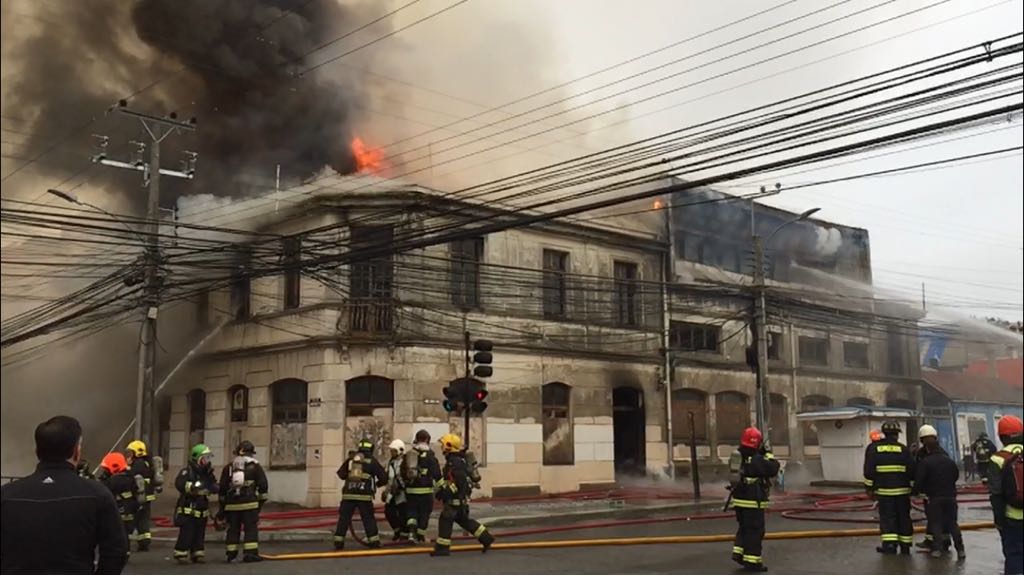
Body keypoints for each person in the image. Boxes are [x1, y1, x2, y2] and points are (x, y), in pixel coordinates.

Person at [1, 415, 128, 574]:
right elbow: (116, 552)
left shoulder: (7, 494)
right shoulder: (98, 494)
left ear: (37, 451)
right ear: (76, 451)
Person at [431, 433, 495, 557]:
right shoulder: (458, 460)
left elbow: (458, 482)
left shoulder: (454, 462)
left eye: (443, 445)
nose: (441, 447)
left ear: (449, 446)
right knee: (465, 521)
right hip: (460, 501)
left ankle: (442, 548)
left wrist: (445, 493)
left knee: (445, 520)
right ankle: (486, 538)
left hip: (455, 501)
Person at [728, 427, 780, 573]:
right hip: (752, 501)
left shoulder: (738, 456)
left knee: (744, 528)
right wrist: (768, 454)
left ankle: (738, 553)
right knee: (755, 532)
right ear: (757, 443)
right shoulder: (756, 459)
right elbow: (773, 468)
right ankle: (753, 562)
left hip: (739, 500)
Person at [914, 425, 965, 561]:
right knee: (952, 523)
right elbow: (955, 475)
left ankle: (937, 549)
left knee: (935, 522)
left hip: (933, 497)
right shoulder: (948, 459)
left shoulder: (925, 461)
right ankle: (960, 550)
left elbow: (919, 478)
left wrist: (916, 491)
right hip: (950, 496)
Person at [863, 420, 914, 555]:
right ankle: (905, 545)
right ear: (897, 435)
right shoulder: (904, 449)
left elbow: (869, 472)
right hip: (903, 492)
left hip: (884, 492)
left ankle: (890, 546)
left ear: (884, 434)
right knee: (904, 517)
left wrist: (869, 489)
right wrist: (913, 489)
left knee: (888, 518)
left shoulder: (874, 449)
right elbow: (912, 471)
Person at [218, 440, 268, 563]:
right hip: (250, 505)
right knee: (250, 529)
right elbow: (263, 487)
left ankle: (231, 554)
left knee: (233, 529)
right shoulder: (255, 466)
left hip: (232, 506)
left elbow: (222, 489)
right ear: (251, 453)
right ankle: (250, 554)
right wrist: (259, 505)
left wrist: (222, 509)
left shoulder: (229, 467)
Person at [333, 439, 387, 550]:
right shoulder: (372, 461)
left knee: (344, 518)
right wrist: (377, 484)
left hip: (348, 495)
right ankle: (374, 541)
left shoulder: (351, 459)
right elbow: (384, 478)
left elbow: (341, 475)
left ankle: (338, 541)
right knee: (368, 518)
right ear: (371, 448)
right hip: (364, 496)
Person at [989, 415, 1023, 575]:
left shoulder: (997, 458)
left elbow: (996, 493)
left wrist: (999, 520)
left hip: (1012, 517)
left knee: (1014, 556)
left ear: (1002, 437)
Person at [173, 444, 217, 564]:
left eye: (208, 458)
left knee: (199, 533)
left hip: (202, 508)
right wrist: (192, 488)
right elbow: (179, 484)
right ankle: (180, 553)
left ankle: (197, 553)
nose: (207, 461)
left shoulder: (207, 473)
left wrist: (214, 488)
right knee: (187, 532)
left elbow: (213, 484)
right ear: (198, 458)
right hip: (189, 508)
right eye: (205, 458)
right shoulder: (187, 472)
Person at [98, 452, 141, 554]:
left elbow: (103, 491)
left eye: (107, 469)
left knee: (114, 533)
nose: (105, 471)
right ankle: (125, 551)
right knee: (124, 533)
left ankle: (119, 552)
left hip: (117, 511)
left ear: (114, 467)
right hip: (128, 511)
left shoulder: (114, 480)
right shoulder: (129, 477)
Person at [404, 429, 443, 543]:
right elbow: (437, 475)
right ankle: (420, 536)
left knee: (412, 513)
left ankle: (411, 534)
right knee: (424, 513)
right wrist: (443, 489)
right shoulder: (430, 456)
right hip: (425, 492)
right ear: (427, 440)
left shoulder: (409, 454)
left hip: (411, 491)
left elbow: (402, 472)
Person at [125, 440, 156, 552]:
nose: (129, 456)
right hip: (146, 496)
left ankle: (127, 541)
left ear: (137, 453)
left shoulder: (138, 464)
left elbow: (132, 477)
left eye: (131, 453)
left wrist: (126, 469)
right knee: (143, 519)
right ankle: (144, 542)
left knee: (134, 519)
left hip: (139, 496)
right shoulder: (147, 463)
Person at [383, 439, 410, 542]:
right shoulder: (391, 462)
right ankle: (397, 531)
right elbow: (390, 478)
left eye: (394, 450)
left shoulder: (405, 461)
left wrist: (400, 487)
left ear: (400, 450)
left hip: (402, 492)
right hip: (393, 492)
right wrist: (386, 491)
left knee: (403, 514)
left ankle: (404, 534)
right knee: (388, 511)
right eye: (391, 450)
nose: (392, 452)